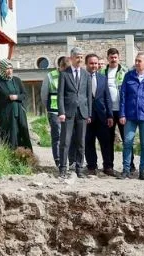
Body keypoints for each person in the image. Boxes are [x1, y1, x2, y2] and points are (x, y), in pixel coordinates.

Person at [116, 54, 144, 181]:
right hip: (130, 115)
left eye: (139, 61)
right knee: (128, 142)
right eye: (136, 60)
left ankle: (142, 170)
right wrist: (122, 114)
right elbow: (123, 96)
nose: (137, 63)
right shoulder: (128, 76)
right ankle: (126, 169)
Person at [57, 47, 93, 178]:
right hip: (68, 112)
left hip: (82, 112)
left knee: (81, 142)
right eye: (77, 57)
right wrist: (61, 112)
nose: (80, 60)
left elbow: (88, 95)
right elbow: (60, 95)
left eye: (82, 57)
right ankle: (63, 168)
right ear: (71, 58)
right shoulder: (64, 74)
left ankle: (79, 168)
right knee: (65, 141)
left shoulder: (86, 75)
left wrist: (89, 113)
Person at [0, 59, 32, 151]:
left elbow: (24, 95)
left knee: (23, 133)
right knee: (10, 136)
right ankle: (11, 159)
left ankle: (26, 157)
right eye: (7, 68)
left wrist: (16, 97)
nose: (9, 71)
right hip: (6, 115)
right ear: (3, 69)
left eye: (11, 68)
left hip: (19, 113)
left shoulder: (17, 80)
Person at [83, 54, 115, 177]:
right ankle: (91, 166)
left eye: (96, 63)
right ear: (86, 64)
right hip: (87, 117)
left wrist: (110, 115)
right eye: (91, 63)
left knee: (106, 143)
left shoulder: (103, 78)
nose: (94, 65)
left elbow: (107, 98)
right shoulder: (82, 78)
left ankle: (108, 166)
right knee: (88, 142)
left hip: (102, 116)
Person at [101, 48, 132, 173]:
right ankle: (108, 166)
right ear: (108, 58)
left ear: (119, 58)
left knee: (127, 139)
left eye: (115, 57)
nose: (113, 60)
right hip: (108, 111)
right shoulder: (102, 72)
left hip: (122, 110)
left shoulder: (126, 71)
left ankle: (130, 165)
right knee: (108, 139)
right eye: (111, 57)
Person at [40, 57, 70, 168]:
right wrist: (48, 107)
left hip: (68, 111)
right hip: (54, 110)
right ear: (60, 66)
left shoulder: (70, 74)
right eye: (65, 68)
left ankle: (69, 160)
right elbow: (44, 95)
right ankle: (58, 159)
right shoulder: (50, 76)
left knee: (68, 135)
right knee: (57, 135)